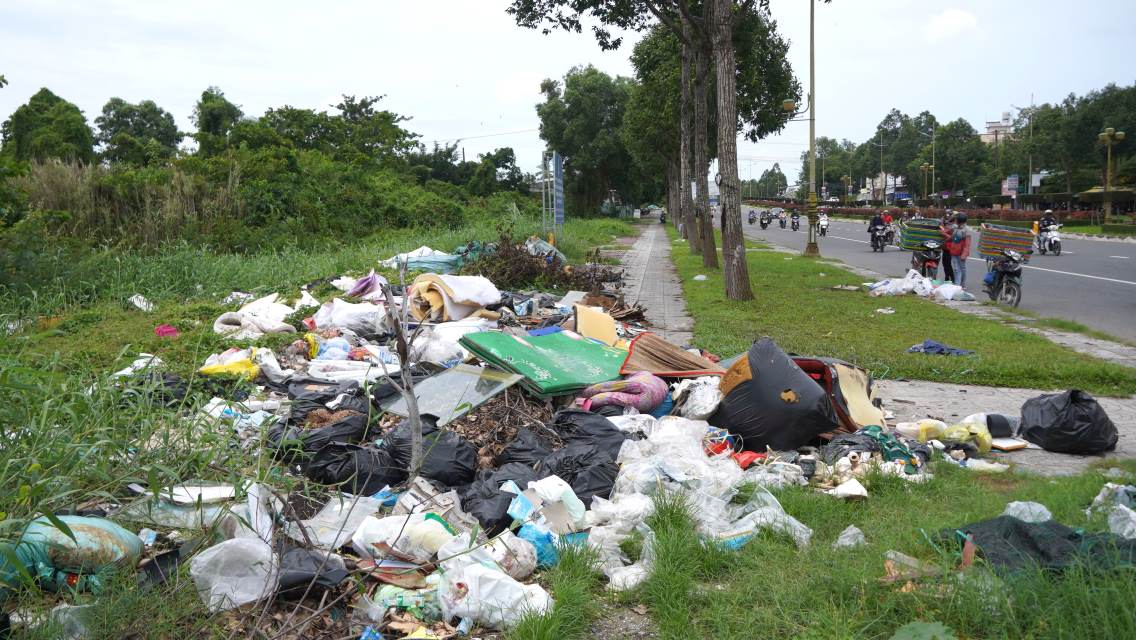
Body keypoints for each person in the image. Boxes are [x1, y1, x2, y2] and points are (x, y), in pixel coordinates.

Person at [949, 213, 971, 287]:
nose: (955, 220)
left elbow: (967, 244)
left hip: (961, 253)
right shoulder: (955, 227)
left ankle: (961, 284)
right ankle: (957, 285)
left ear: (960, 220)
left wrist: (964, 254)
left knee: (962, 269)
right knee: (956, 269)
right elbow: (952, 237)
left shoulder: (966, 230)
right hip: (954, 252)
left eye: (956, 219)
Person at [939, 213, 957, 283]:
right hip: (945, 247)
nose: (947, 220)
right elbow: (943, 230)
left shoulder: (954, 227)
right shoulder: (947, 225)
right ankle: (947, 277)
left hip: (950, 248)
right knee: (944, 264)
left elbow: (951, 237)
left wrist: (943, 234)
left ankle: (952, 279)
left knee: (948, 264)